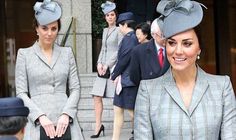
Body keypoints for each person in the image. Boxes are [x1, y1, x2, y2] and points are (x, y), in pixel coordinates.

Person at [134, 0, 236, 139]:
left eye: (187, 43)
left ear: (199, 48)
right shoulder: (148, 91)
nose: (178, 51)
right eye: (172, 43)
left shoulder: (222, 87)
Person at [15, 0, 84, 139]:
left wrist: (67, 114)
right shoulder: (24, 54)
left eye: (54, 28)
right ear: (36, 28)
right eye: (44, 28)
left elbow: (75, 88)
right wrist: (40, 116)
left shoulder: (67, 53)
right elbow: (21, 93)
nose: (49, 33)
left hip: (65, 121)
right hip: (38, 122)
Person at [90, 1, 123, 138]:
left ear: (116, 16)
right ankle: (98, 126)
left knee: (115, 99)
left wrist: (107, 65)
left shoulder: (119, 30)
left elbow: (119, 50)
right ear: (105, 17)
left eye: (112, 15)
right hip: (102, 68)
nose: (110, 17)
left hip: (113, 67)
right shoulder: (104, 31)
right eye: (108, 15)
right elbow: (103, 48)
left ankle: (118, 131)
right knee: (97, 96)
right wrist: (98, 63)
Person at [110, 12, 139, 140]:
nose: (119, 29)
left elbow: (124, 59)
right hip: (125, 81)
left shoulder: (130, 38)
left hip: (128, 81)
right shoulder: (132, 38)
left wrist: (114, 74)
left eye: (120, 26)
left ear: (125, 25)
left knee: (133, 113)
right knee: (118, 110)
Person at [130, 18, 170, 86]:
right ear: (153, 34)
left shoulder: (174, 49)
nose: (166, 38)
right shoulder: (139, 51)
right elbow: (134, 77)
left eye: (168, 35)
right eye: (163, 36)